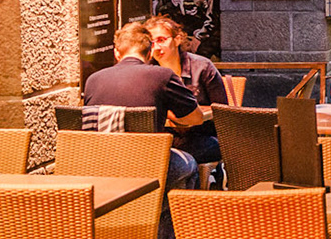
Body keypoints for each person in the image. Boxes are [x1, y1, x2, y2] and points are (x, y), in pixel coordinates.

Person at [81, 20, 206, 189]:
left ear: (117, 53)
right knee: (189, 163)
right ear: (149, 54)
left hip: (99, 167)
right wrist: (169, 115)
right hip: (148, 165)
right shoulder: (163, 76)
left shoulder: (92, 80)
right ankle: (169, 214)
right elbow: (196, 118)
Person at [146, 14, 232, 176]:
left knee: (171, 162)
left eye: (162, 40)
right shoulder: (147, 70)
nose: (156, 48)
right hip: (162, 138)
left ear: (178, 39)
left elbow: (223, 111)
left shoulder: (202, 66)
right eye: (152, 42)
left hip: (201, 136)